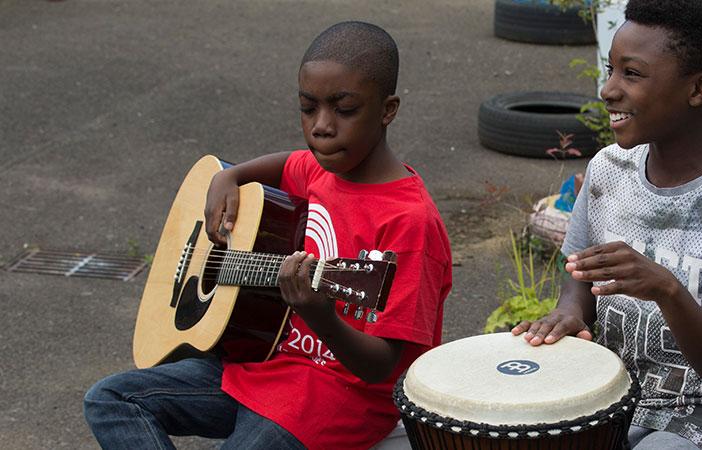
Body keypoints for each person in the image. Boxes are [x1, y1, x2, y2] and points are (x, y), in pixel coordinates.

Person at [84, 21, 452, 450]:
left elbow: (381, 368)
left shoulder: (410, 223)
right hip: (261, 364)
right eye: (307, 107)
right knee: (111, 399)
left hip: (336, 397)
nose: (321, 127)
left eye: (344, 109)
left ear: (387, 109)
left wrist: (322, 318)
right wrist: (230, 176)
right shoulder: (320, 168)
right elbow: (285, 164)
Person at [512, 1, 702, 449]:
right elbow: (578, 278)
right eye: (611, 69)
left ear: (699, 88)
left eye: (632, 74)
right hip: (611, 397)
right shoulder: (609, 169)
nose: (608, 89)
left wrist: (666, 288)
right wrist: (568, 313)